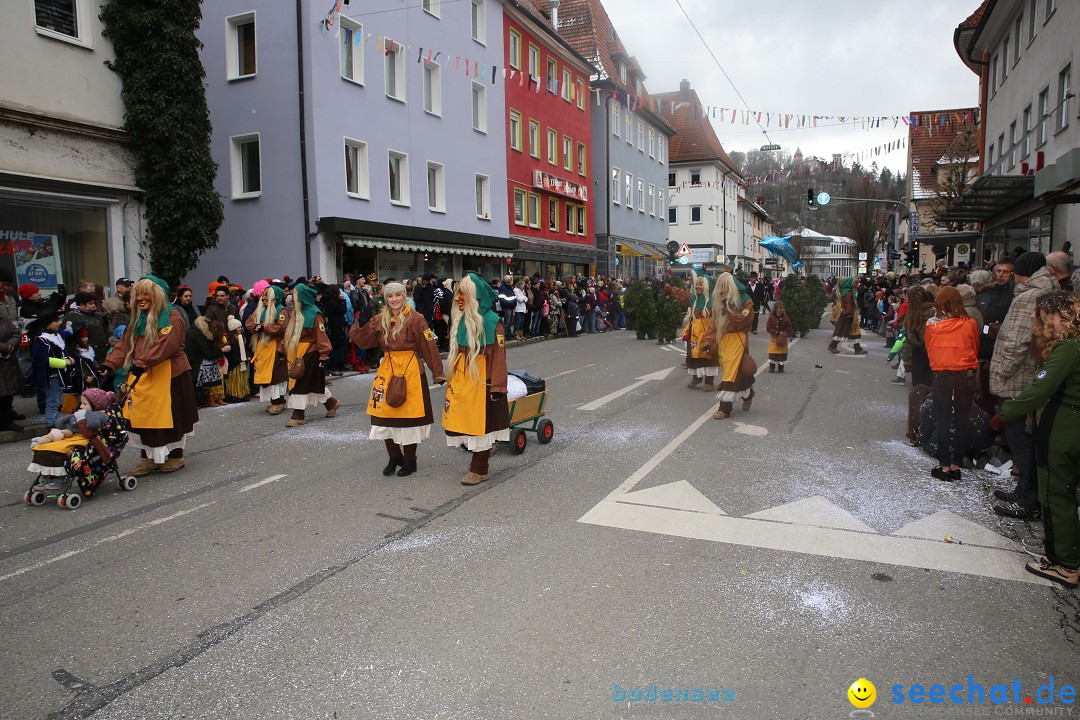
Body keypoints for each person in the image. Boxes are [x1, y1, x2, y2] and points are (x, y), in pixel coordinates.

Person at [992, 292, 1080, 588]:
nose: (1046, 324)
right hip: (1069, 423)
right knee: (1062, 491)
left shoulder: (1069, 348)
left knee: (1057, 492)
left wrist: (1004, 414)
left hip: (1065, 426)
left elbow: (1040, 388)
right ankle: (1063, 558)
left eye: (1049, 317)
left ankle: (1065, 563)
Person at [103, 276, 199, 475]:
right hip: (143, 375)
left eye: (146, 293)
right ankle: (148, 458)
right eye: (137, 294)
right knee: (141, 417)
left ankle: (175, 456)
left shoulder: (172, 317)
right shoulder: (138, 319)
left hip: (170, 375)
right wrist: (109, 365)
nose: (140, 298)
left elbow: (166, 345)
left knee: (172, 418)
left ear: (157, 295)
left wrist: (141, 363)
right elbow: (124, 344)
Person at [989, 252, 1059, 519]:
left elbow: (1017, 341)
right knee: (1024, 440)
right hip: (1028, 375)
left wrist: (1001, 372)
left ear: (1020, 272)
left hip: (1018, 379)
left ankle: (1029, 499)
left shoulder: (1029, 296)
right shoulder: (1043, 290)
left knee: (1021, 440)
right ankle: (1024, 490)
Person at [351, 282, 446, 477]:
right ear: (386, 298)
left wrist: (437, 372)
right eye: (390, 296)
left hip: (410, 369)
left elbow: (429, 346)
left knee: (409, 417)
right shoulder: (379, 319)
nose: (394, 300)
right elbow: (363, 341)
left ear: (404, 296)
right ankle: (394, 456)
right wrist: (362, 323)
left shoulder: (417, 319)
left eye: (398, 295)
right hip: (387, 368)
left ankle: (410, 460)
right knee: (384, 417)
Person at [442, 273, 510, 485]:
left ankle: (480, 469)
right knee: (461, 421)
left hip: (481, 380)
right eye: (457, 293)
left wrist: (497, 387)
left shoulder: (492, 322)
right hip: (462, 378)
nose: (457, 298)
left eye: (462, 293)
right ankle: (481, 456)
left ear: (473, 295)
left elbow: (499, 357)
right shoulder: (462, 318)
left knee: (480, 424)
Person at [924, 287, 980, 482]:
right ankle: (956, 464)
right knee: (962, 420)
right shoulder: (970, 323)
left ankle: (945, 465)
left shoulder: (932, 326)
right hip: (966, 374)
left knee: (943, 420)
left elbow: (929, 349)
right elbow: (975, 348)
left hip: (942, 374)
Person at [282, 282, 339, 427]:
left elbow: (321, 335)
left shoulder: (315, 313)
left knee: (300, 384)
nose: (291, 298)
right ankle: (331, 403)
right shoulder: (297, 312)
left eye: (294, 296)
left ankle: (298, 414)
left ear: (302, 297)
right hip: (297, 352)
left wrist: (324, 355)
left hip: (310, 353)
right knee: (314, 383)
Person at [711, 273, 755, 420]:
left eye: (725, 286)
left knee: (731, 374)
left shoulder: (745, 301)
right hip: (723, 341)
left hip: (738, 340)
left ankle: (724, 408)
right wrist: (707, 342)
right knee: (734, 373)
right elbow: (713, 325)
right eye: (720, 286)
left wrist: (728, 308)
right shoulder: (718, 302)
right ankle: (748, 394)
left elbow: (742, 321)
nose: (722, 290)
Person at [667, 272, 719, 391]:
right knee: (693, 355)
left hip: (708, 332)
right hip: (695, 332)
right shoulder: (694, 298)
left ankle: (709, 381)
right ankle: (696, 378)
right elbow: (683, 295)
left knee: (708, 355)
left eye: (701, 284)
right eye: (696, 284)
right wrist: (671, 289)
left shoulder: (714, 301)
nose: (697, 287)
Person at [245, 284, 289, 415]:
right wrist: (256, 327)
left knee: (275, 375)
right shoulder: (260, 310)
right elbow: (249, 323)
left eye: (267, 295)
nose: (264, 298)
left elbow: (281, 328)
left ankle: (278, 401)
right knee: (266, 375)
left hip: (276, 347)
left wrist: (264, 327)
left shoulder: (282, 311)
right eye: (263, 295)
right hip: (262, 347)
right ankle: (277, 401)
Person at [29, 311, 73, 429]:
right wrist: (64, 362)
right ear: (48, 324)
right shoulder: (42, 339)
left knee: (57, 401)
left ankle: (54, 424)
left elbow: (59, 352)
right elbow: (43, 360)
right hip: (51, 375)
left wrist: (68, 358)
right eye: (56, 321)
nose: (59, 323)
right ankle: (51, 426)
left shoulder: (55, 336)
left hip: (58, 374)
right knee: (52, 402)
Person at [901, 286, 934, 444]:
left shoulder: (929, 313)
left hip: (927, 356)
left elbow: (921, 338)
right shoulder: (915, 312)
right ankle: (916, 427)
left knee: (922, 392)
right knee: (918, 392)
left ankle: (921, 428)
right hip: (919, 356)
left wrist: (912, 335)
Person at [0, 268, 23, 431]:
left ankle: (7, 413)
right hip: (2, 348)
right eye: (3, 284)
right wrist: (3, 347)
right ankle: (4, 420)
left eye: (8, 285)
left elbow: (16, 324)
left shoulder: (11, 299)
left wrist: (13, 342)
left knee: (10, 386)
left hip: (10, 348)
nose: (5, 288)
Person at [827, 277, 867, 355]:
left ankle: (857, 348)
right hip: (848, 314)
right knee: (843, 330)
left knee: (853, 331)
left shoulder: (846, 291)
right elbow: (849, 305)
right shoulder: (849, 293)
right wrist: (850, 313)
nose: (856, 285)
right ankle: (833, 345)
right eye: (855, 283)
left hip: (848, 314)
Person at [765, 301, 795, 373]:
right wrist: (776, 332)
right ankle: (772, 367)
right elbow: (768, 327)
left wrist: (787, 333)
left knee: (782, 353)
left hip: (782, 338)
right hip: (774, 337)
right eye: (780, 308)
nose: (782, 310)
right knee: (773, 352)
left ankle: (780, 367)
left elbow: (789, 326)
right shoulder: (771, 316)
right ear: (776, 309)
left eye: (783, 308)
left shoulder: (785, 317)